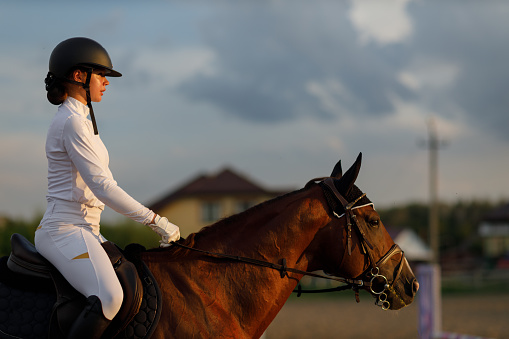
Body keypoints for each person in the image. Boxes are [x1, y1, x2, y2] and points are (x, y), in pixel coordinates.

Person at [35, 37, 180, 339]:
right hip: (65, 230)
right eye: (100, 75)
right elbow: (103, 187)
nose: (106, 82)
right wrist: (155, 221)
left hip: (87, 229)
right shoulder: (72, 123)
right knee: (110, 298)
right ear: (79, 76)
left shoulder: (82, 121)